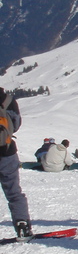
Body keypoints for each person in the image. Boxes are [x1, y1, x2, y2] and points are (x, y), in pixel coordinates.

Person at [0, 88, 32, 240]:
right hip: (7, 152)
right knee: (13, 192)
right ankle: (22, 226)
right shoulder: (7, 100)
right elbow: (16, 124)